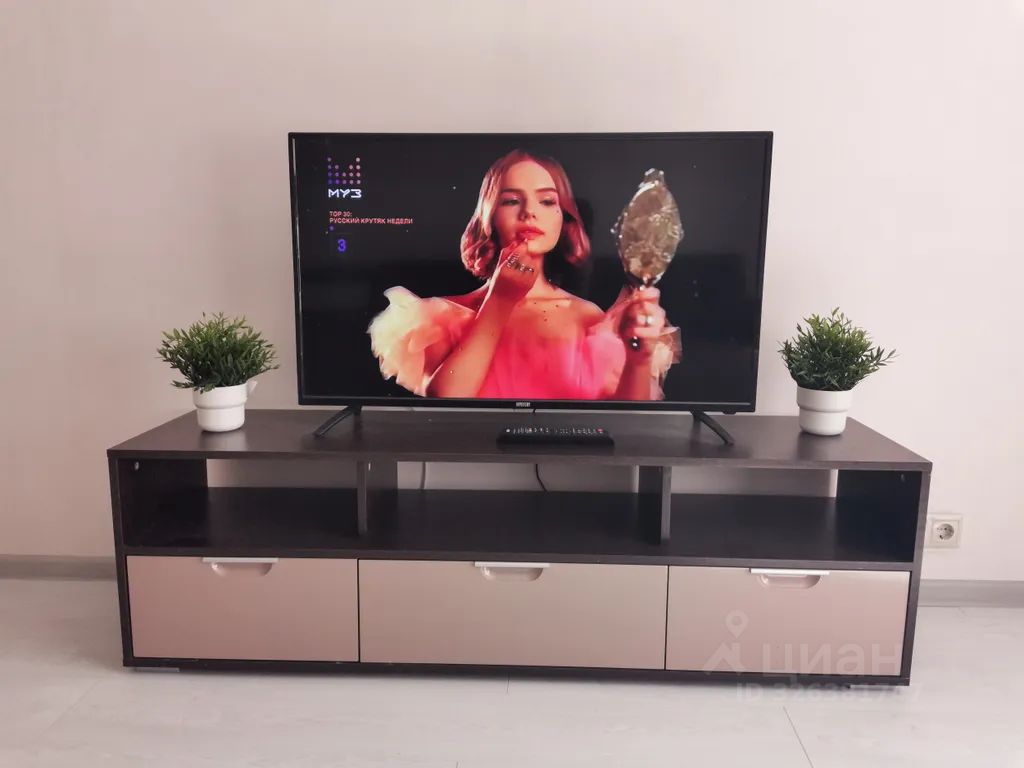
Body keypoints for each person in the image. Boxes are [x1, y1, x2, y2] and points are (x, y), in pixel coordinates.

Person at [368, 149, 680, 400]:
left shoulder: (590, 320)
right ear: (489, 216)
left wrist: (639, 360)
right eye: (511, 200)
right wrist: (500, 300)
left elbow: (623, 423)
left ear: (563, 219)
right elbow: (448, 403)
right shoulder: (439, 319)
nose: (529, 211)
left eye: (547, 201)